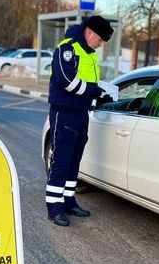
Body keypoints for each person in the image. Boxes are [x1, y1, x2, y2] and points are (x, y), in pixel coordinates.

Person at [45, 15, 114, 226]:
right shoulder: (68, 48)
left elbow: (88, 82)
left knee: (74, 160)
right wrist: (94, 91)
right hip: (64, 112)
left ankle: (69, 202)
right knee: (61, 161)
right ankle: (54, 208)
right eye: (100, 40)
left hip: (81, 113)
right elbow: (67, 81)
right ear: (90, 32)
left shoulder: (88, 53)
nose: (100, 45)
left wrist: (101, 94)